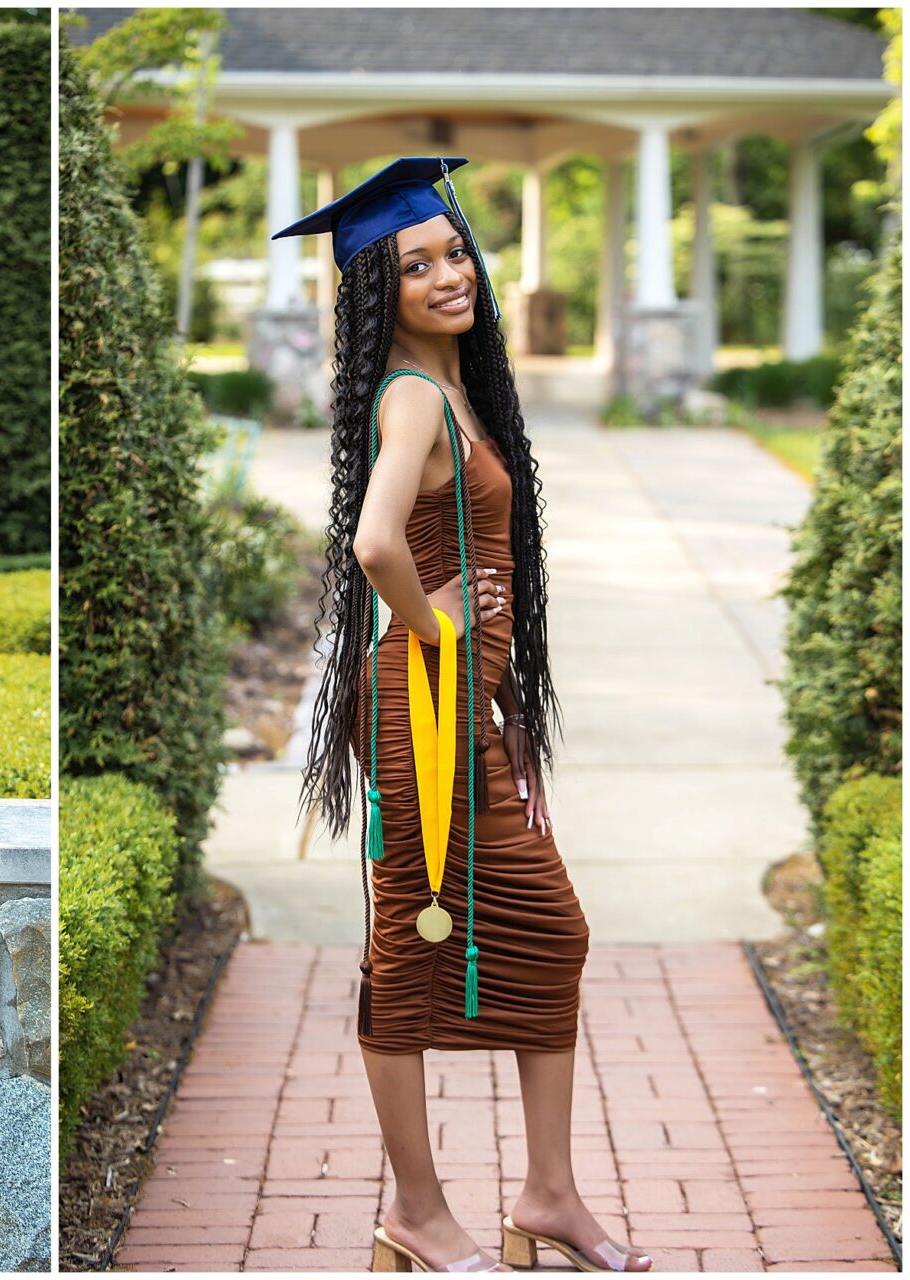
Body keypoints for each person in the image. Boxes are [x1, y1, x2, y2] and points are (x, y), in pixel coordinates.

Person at [283, 158, 651, 1273]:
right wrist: (439, 636)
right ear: (374, 292)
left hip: (457, 706)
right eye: (415, 264)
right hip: (418, 709)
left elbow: (461, 553)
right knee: (413, 945)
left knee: (544, 931)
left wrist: (495, 694)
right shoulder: (409, 395)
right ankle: (419, 1209)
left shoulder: (457, 388)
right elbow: (376, 544)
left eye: (454, 251)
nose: (448, 275)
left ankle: (545, 1192)